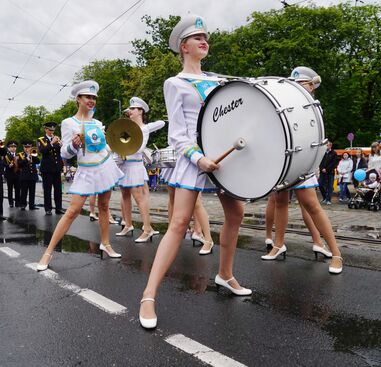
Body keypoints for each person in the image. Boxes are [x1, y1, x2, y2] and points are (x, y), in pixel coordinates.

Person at [138, 15, 253, 330]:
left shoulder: (218, 81)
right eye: (197, 37)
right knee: (177, 224)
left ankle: (225, 275)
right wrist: (197, 158)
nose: (205, 41)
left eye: (206, 37)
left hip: (223, 157)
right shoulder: (174, 83)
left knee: (236, 214)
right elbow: (177, 133)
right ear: (184, 47)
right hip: (194, 158)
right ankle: (148, 295)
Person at [262, 66, 343, 276]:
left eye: (303, 84)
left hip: (303, 162)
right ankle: (278, 244)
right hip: (284, 161)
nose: (298, 87)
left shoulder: (314, 107)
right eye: (295, 84)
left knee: (312, 206)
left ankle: (336, 253)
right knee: (280, 202)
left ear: (312, 87)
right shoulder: (285, 103)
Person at [36, 80, 124, 271]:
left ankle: (106, 243)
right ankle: (48, 252)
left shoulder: (98, 123)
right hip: (86, 170)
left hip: (105, 167)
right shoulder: (69, 123)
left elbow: (103, 147)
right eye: (88, 97)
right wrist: (74, 145)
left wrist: (118, 151)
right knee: (73, 211)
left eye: (93, 98)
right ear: (78, 99)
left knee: (104, 206)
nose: (91, 101)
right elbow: (65, 154)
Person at [115, 97, 165, 242]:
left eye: (132, 109)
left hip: (135, 165)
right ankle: (128, 225)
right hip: (124, 165)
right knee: (124, 195)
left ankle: (147, 228)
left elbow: (140, 148)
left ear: (140, 111)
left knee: (139, 198)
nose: (129, 111)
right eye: (129, 109)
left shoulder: (144, 129)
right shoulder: (126, 128)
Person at [38, 122, 64, 215]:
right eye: (50, 130)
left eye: (53, 130)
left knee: (58, 190)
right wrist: (52, 143)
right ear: (45, 129)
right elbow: (42, 151)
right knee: (47, 190)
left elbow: (60, 153)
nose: (51, 132)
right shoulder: (41, 140)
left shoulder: (56, 139)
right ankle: (48, 209)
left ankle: (59, 208)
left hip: (56, 168)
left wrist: (61, 144)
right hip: (47, 169)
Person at [17, 140, 40, 211]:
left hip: (32, 175)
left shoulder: (33, 154)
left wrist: (33, 156)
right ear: (23, 147)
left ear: (30, 147)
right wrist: (27, 158)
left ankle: (31, 205)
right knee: (24, 192)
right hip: (24, 176)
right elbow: (20, 164)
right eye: (26, 147)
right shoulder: (20, 155)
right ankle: (23, 205)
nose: (27, 148)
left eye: (29, 147)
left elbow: (38, 161)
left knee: (32, 192)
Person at [3, 140, 20, 208]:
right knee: (10, 189)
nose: (13, 148)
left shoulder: (18, 155)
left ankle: (17, 202)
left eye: (15, 147)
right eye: (11, 147)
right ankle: (11, 202)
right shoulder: (6, 155)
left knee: (18, 189)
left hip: (17, 174)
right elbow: (3, 163)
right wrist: (8, 166)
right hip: (9, 174)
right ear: (8, 148)